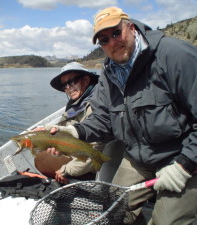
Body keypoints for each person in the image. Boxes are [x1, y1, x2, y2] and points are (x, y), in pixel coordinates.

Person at [47, 6, 197, 225]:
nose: (112, 42)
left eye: (116, 33)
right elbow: (103, 120)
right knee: (113, 210)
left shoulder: (174, 55)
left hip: (182, 155)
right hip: (137, 156)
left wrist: (185, 165)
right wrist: (74, 131)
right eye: (104, 40)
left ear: (132, 27)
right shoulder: (108, 74)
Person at [34, 62, 123, 184]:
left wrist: (66, 170)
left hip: (93, 162)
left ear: (86, 80)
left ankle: (72, 181)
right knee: (43, 152)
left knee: (40, 161)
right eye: (64, 85)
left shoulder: (94, 106)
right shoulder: (78, 102)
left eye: (71, 82)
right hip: (79, 151)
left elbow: (95, 150)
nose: (68, 88)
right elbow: (67, 128)